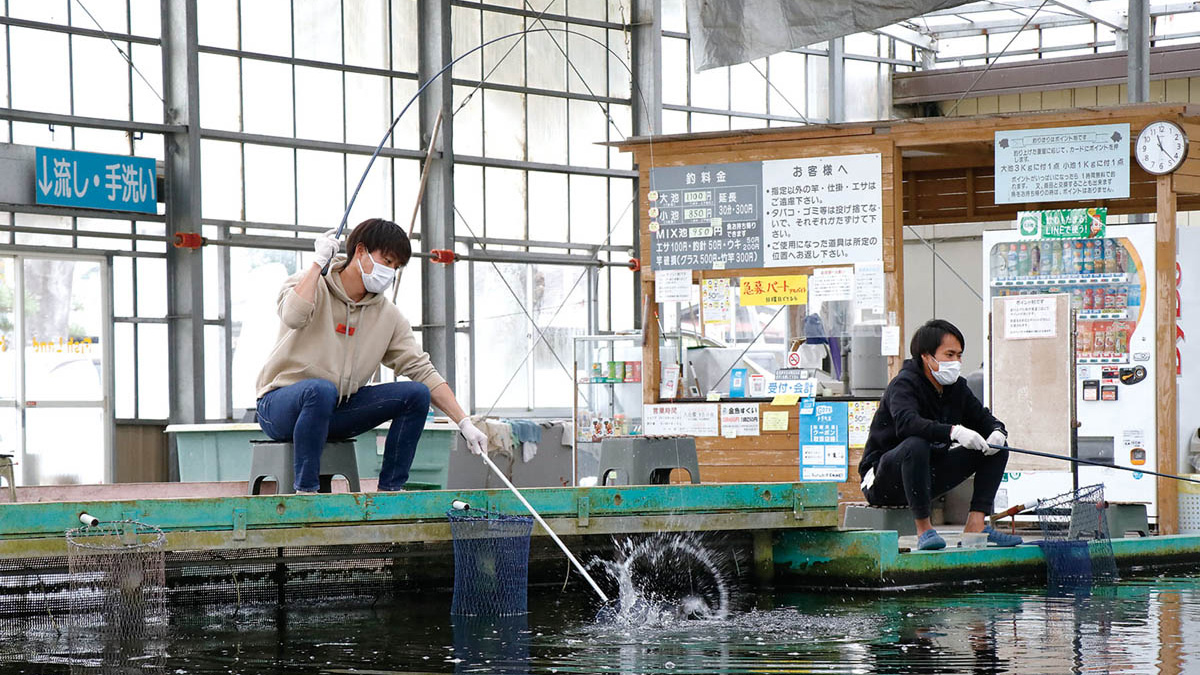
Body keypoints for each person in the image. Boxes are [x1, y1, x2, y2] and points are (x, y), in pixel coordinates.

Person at [255, 218, 488, 493]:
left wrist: (463, 421)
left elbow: (422, 370)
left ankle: (391, 491)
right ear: (361, 252)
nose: (390, 272)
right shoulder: (312, 284)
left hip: (335, 409)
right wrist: (317, 265)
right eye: (387, 261)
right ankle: (306, 494)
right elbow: (292, 316)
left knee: (415, 394)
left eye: (396, 267)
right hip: (280, 407)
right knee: (320, 391)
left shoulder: (387, 315)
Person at [857, 319, 1022, 550]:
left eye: (959, 355)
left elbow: (986, 420)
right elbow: (907, 424)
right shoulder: (903, 384)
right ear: (926, 356)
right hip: (884, 481)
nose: (956, 362)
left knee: (996, 449)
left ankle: (976, 525)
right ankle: (924, 529)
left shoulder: (958, 389)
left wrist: (997, 433)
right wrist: (953, 432)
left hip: (927, 474)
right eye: (950, 354)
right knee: (916, 445)